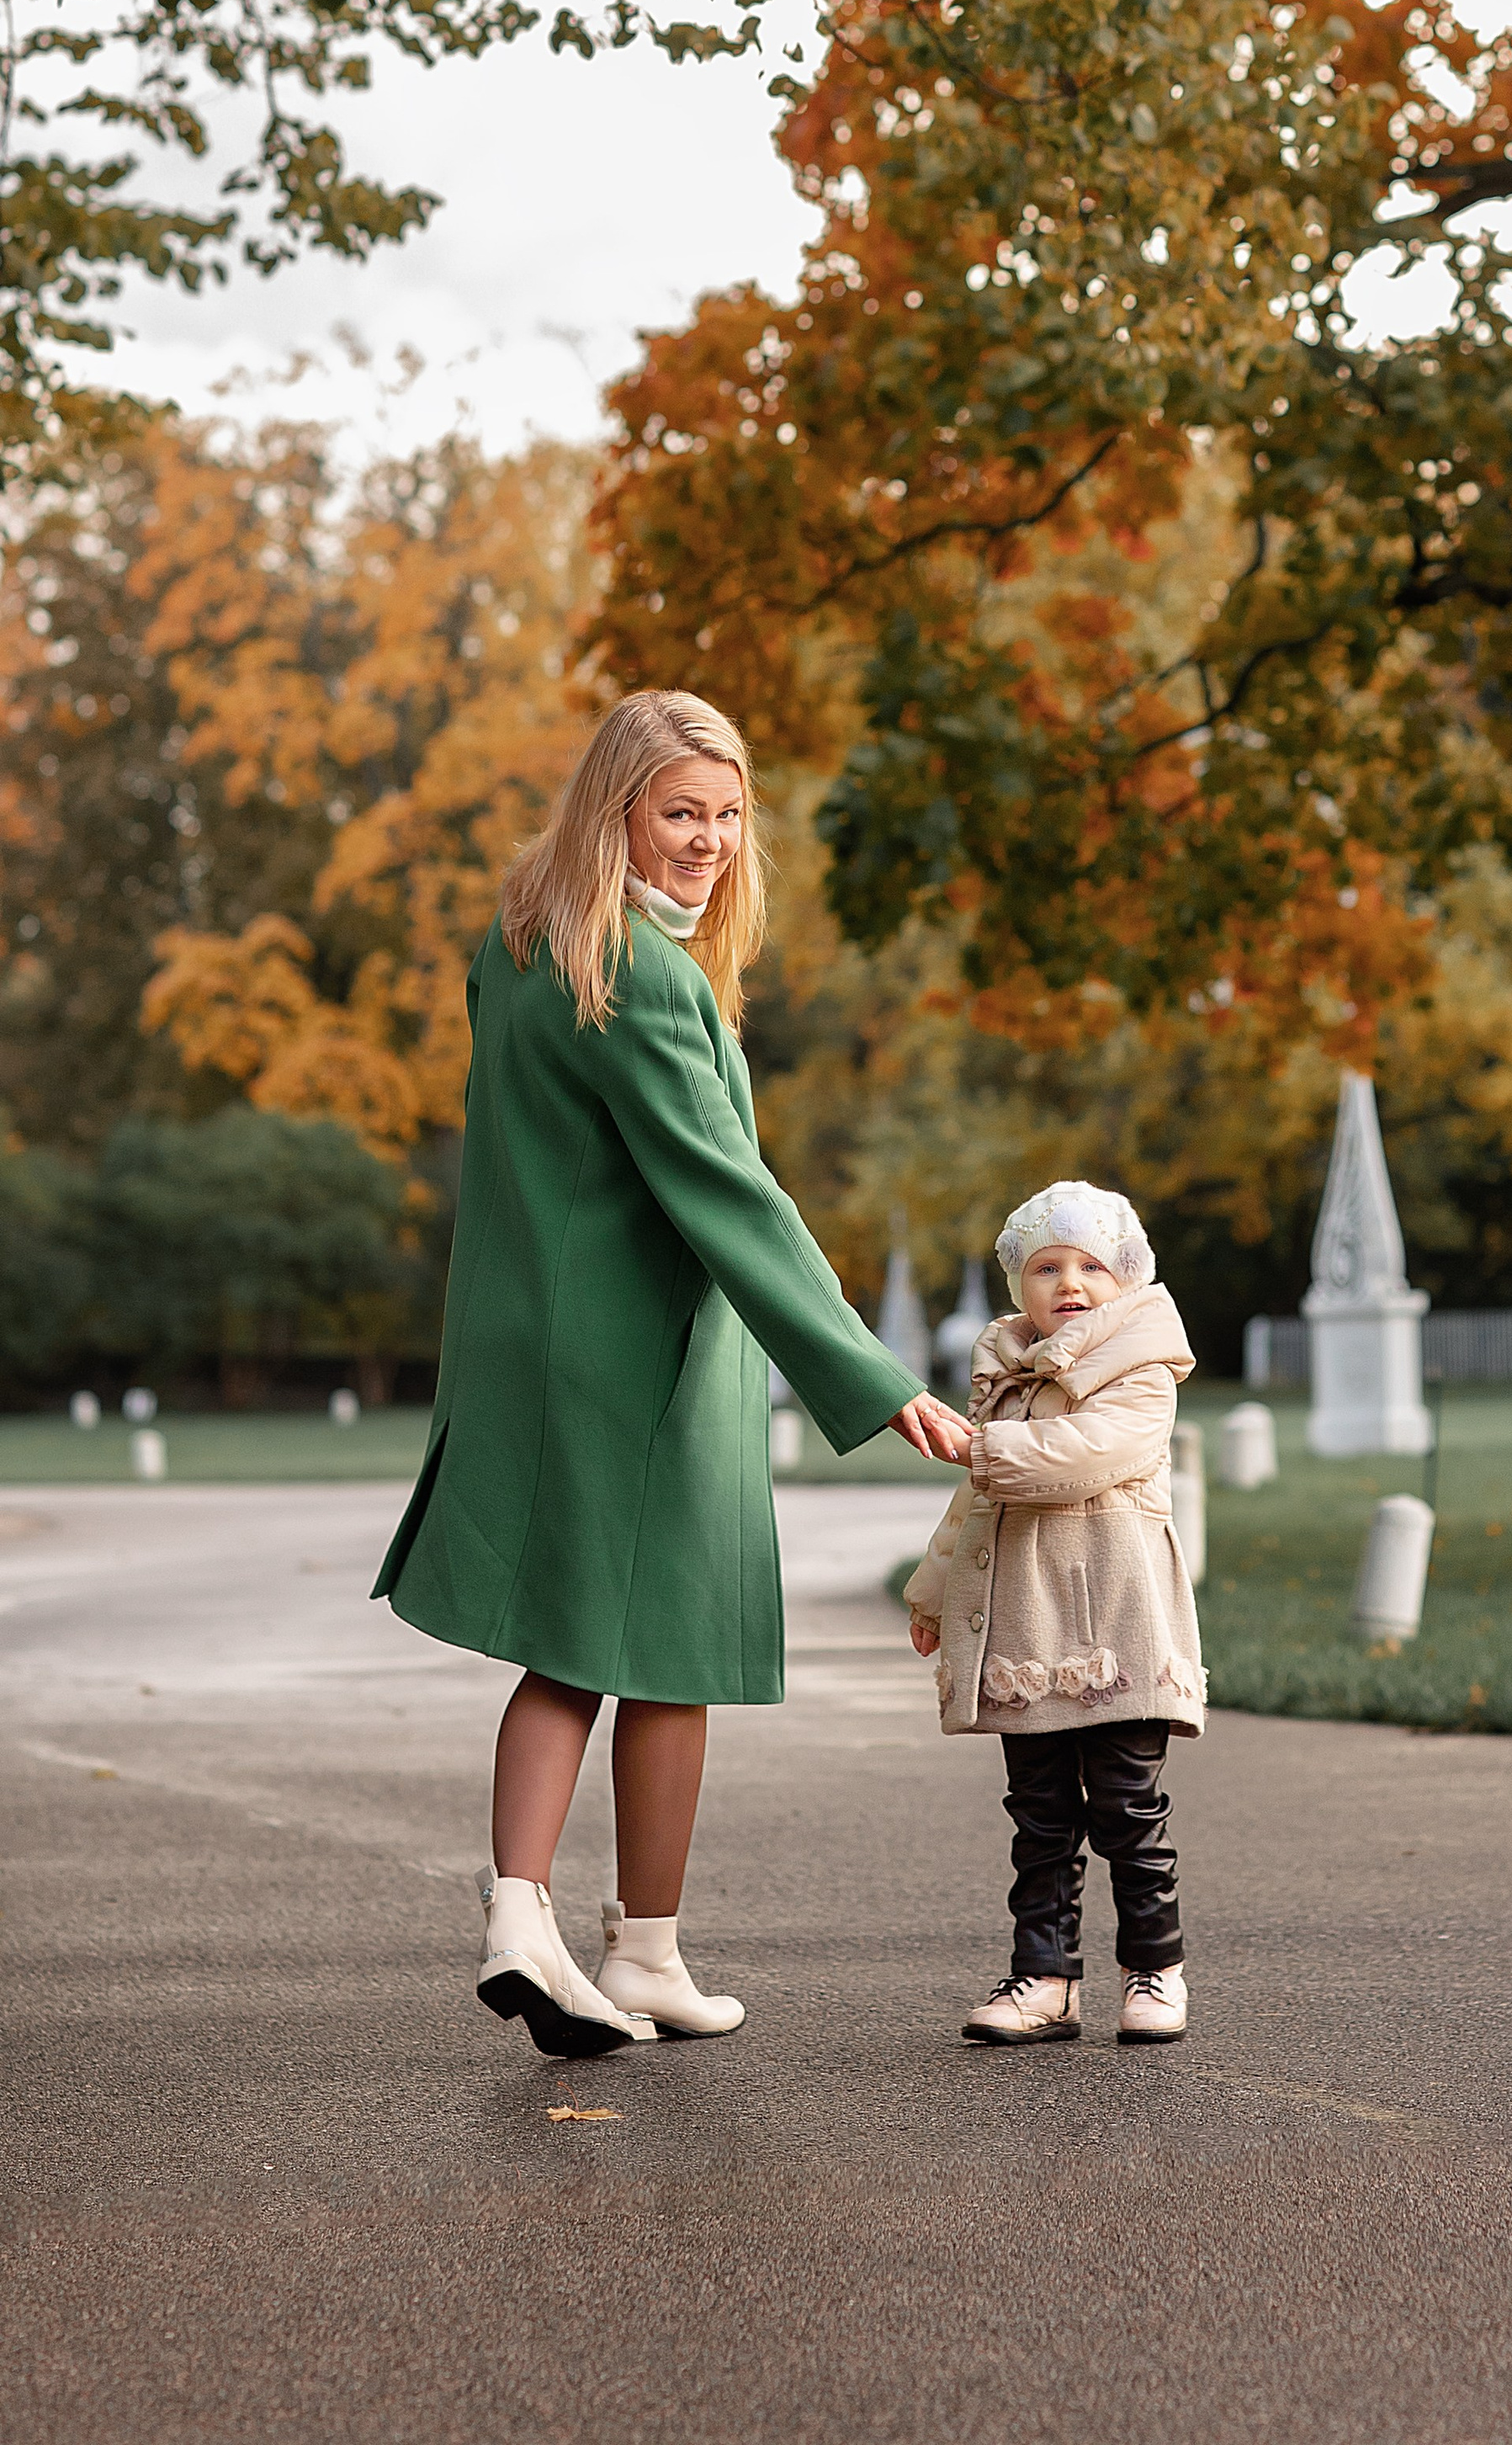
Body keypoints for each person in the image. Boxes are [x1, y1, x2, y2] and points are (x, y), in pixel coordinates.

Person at [373, 689, 972, 2057]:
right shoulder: (642, 978)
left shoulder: (524, 941)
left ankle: (593, 1935)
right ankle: (584, 1935)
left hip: (532, 1332)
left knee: (581, 1644)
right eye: (679, 813)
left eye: (725, 815)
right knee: (662, 1643)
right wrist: (876, 1377)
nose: (706, 841)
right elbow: (732, 1193)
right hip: (642, 1352)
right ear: (617, 809)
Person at [903, 1182, 1203, 2047]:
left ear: (1126, 1278)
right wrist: (933, 1589)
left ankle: (1155, 1966)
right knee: (1038, 1814)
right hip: (1028, 1626)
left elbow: (1085, 1456)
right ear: (1018, 1287)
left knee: (1125, 1807)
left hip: (1117, 1622)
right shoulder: (1009, 1378)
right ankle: (1043, 1977)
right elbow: (974, 1506)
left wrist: (981, 1446)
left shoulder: (1143, 1372)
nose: (1068, 1282)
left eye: (1090, 1265)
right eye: (1046, 1266)